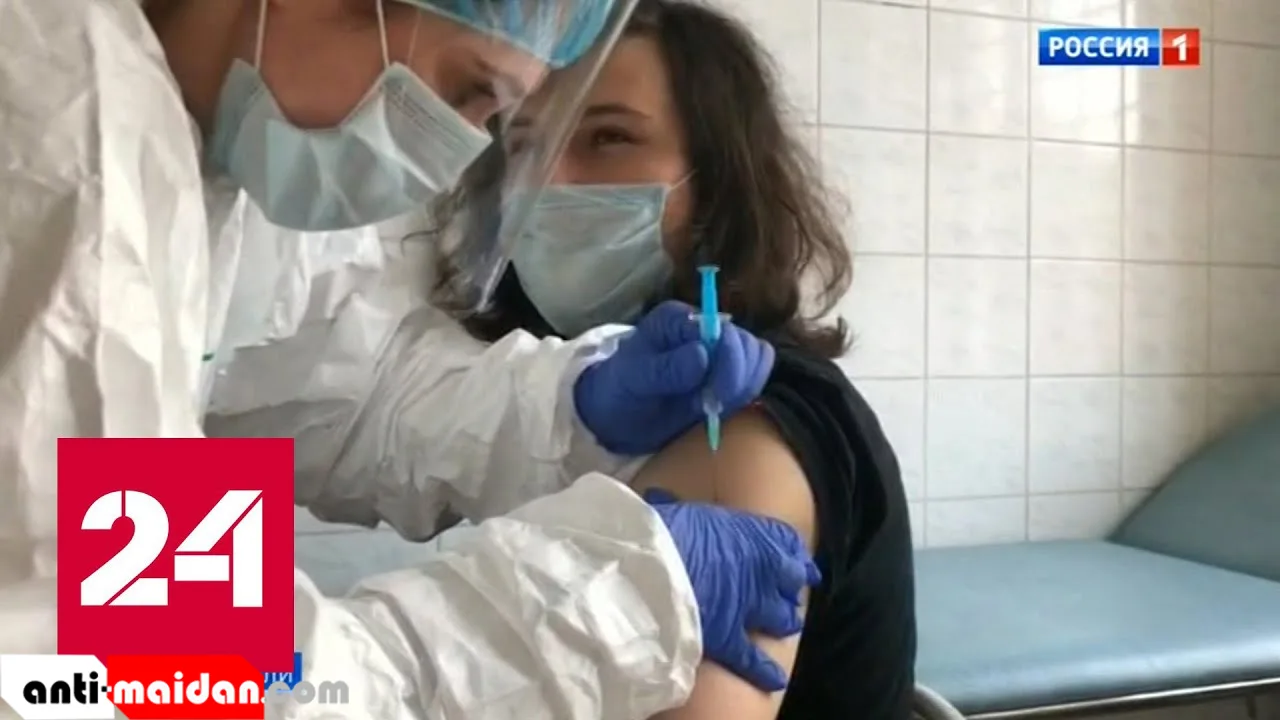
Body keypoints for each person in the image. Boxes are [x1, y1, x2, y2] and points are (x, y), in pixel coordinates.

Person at [0, 1, 821, 717]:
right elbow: (165, 672)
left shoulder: (206, 155)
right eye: (466, 91)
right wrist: (608, 607)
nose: (454, 152)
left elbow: (346, 388)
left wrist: (567, 407)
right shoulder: (59, 148)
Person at [429, 0, 918, 717]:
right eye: (524, 145)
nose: (547, 182)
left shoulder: (740, 425)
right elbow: (246, 672)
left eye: (609, 137)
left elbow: (371, 418)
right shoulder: (258, 353)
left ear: (717, 184)